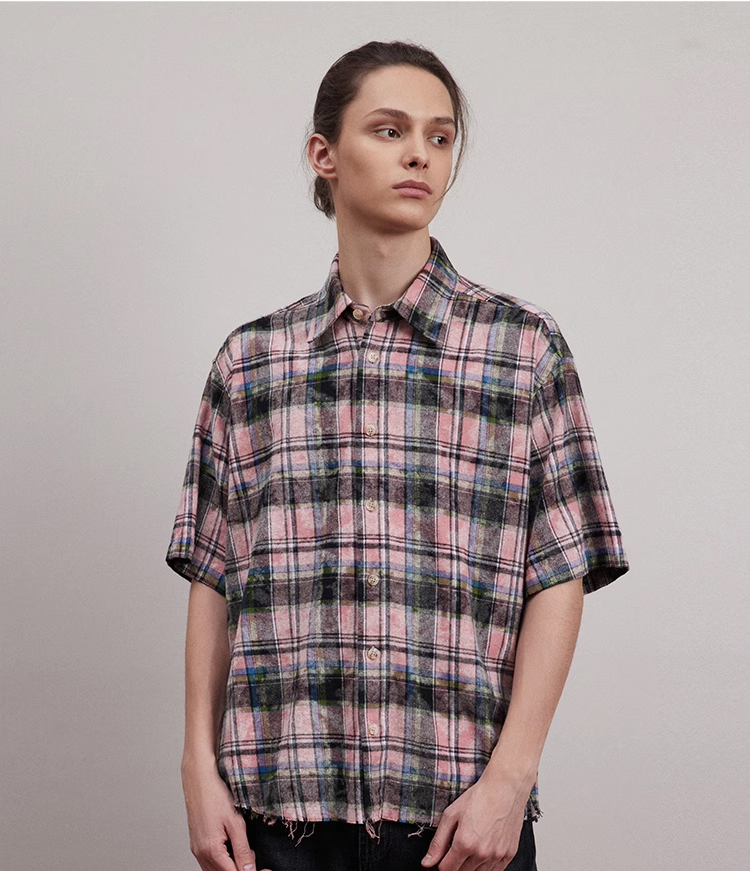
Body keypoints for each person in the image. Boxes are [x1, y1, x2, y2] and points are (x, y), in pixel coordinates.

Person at [165, 40, 629, 871]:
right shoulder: (251, 361)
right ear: (324, 154)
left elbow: (560, 572)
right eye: (389, 130)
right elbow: (214, 573)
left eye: (440, 136)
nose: (420, 153)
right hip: (278, 817)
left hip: (458, 820)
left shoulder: (521, 348)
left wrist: (511, 779)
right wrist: (198, 769)